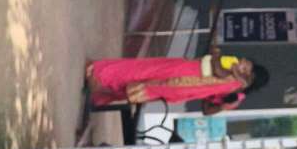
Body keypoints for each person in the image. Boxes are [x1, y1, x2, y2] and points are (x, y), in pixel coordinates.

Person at [86, 51, 269, 108]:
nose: (244, 64)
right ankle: (100, 87)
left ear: (251, 77)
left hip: (181, 77)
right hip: (183, 70)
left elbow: (200, 86)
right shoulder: (234, 78)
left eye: (249, 67)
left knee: (141, 72)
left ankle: (100, 74)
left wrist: (170, 85)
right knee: (142, 70)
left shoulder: (233, 82)